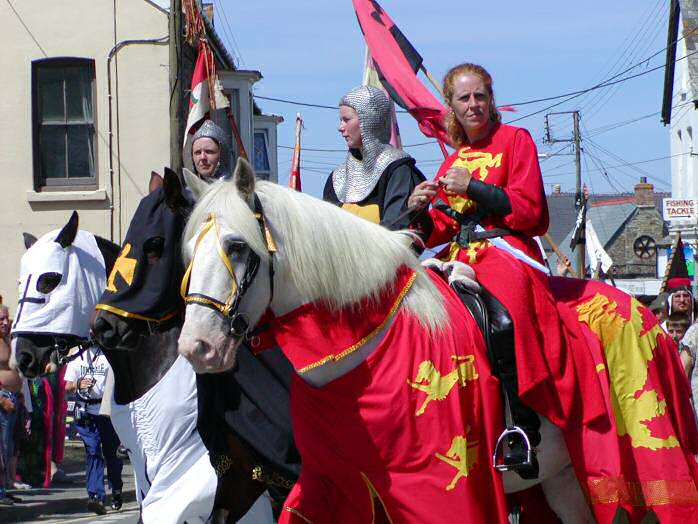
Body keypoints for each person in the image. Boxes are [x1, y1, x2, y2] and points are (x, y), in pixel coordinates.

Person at [408, 63, 580, 478]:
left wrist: (475, 187)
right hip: (458, 256)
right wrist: (419, 209)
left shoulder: (515, 140)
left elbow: (532, 211)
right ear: (451, 106)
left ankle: (523, 427)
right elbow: (441, 228)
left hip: (508, 251)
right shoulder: (454, 160)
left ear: (491, 99)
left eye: (479, 96)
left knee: (503, 316)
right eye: (464, 98)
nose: (473, 105)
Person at [324, 85, 429, 232]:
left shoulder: (398, 171)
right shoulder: (337, 178)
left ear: (369, 120)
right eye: (341, 120)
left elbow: (396, 228)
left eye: (346, 120)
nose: (340, 127)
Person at [64, 344, 123, 515]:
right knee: (93, 451)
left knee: (112, 452)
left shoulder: (109, 354)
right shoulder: (76, 356)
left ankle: (116, 489)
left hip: (106, 411)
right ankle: (96, 495)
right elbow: (67, 386)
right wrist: (78, 383)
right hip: (85, 412)